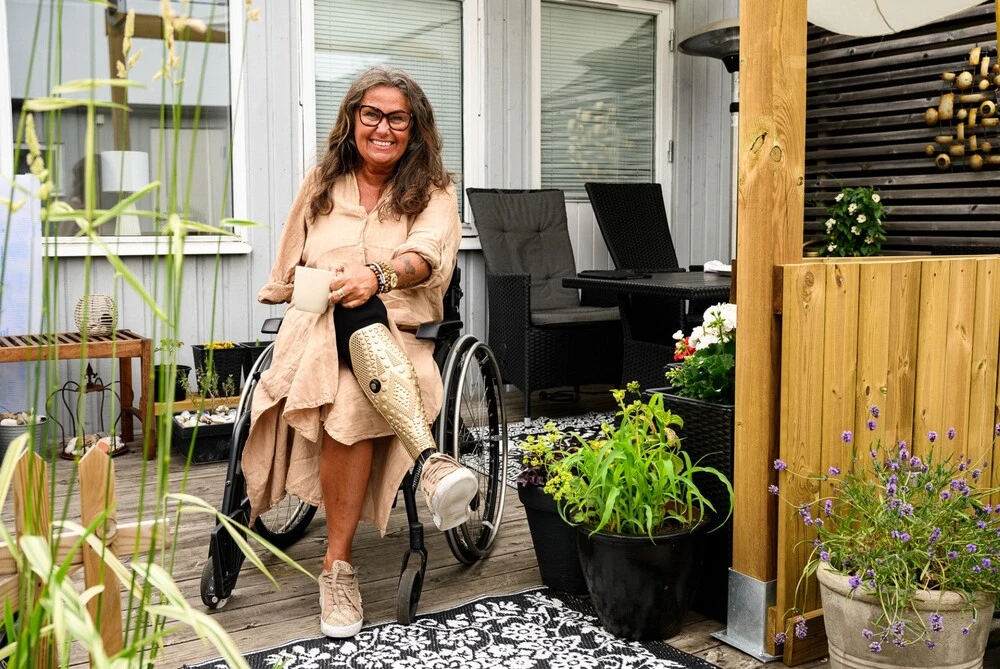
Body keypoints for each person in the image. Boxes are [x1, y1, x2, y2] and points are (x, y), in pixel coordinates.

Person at [244, 66, 476, 639]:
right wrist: (321, 286)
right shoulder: (322, 183)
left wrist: (377, 275)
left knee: (350, 395)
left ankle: (337, 566)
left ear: (415, 129)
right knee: (345, 305)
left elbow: (428, 255)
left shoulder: (435, 190)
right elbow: (284, 273)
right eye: (371, 114)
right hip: (315, 334)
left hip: (401, 338)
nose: (383, 127)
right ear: (351, 120)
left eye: (398, 118)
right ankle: (430, 462)